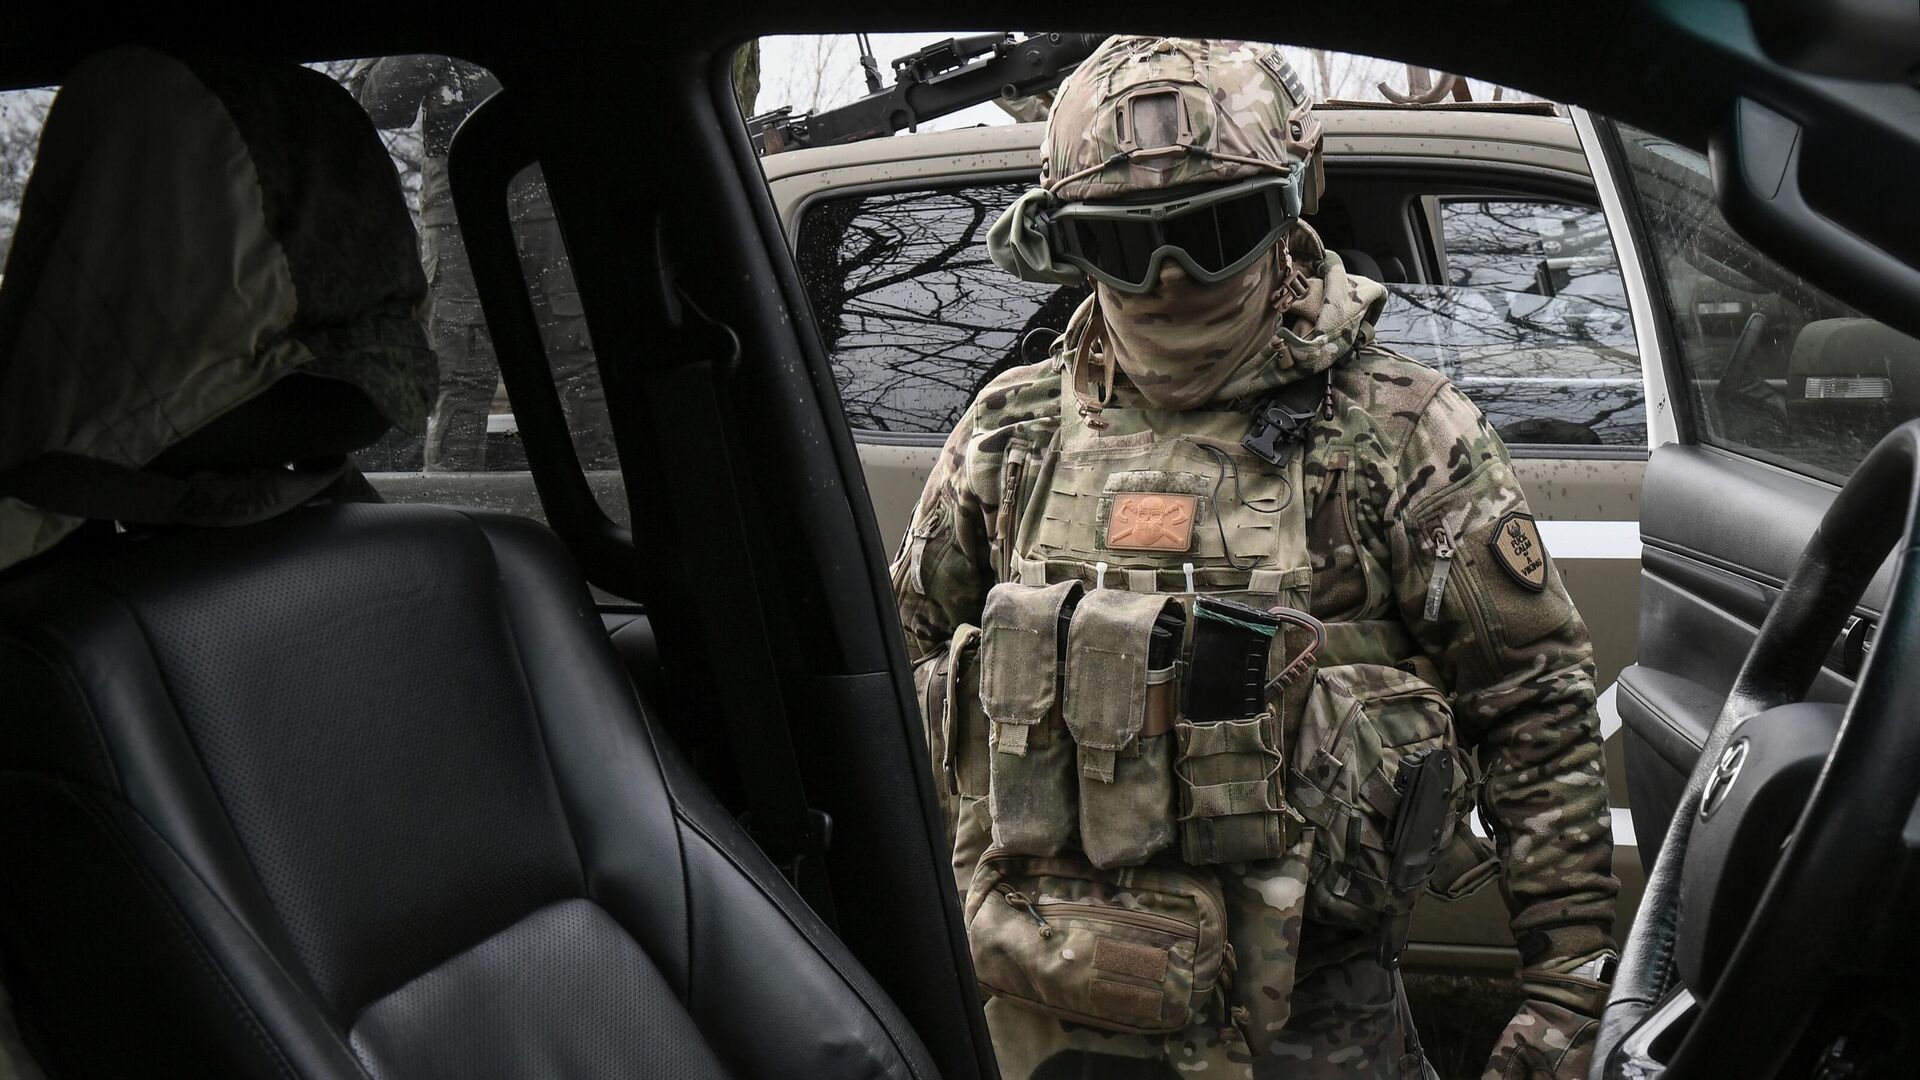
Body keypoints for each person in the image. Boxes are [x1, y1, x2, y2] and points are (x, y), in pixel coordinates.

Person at [891, 37, 1617, 1080]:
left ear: (1289, 208)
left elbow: (1533, 703)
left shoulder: (1396, 433)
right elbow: (900, 675)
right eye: (1123, 243)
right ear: (1066, 241)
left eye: (1213, 233)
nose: (1170, 278)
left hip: (1314, 1022)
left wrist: (1567, 987)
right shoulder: (1013, 434)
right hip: (1044, 1000)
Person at [353, 55, 613, 471]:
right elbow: (379, 104)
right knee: (460, 369)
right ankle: (457, 501)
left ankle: (606, 494)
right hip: (459, 189)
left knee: (581, 358)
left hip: (554, 177)